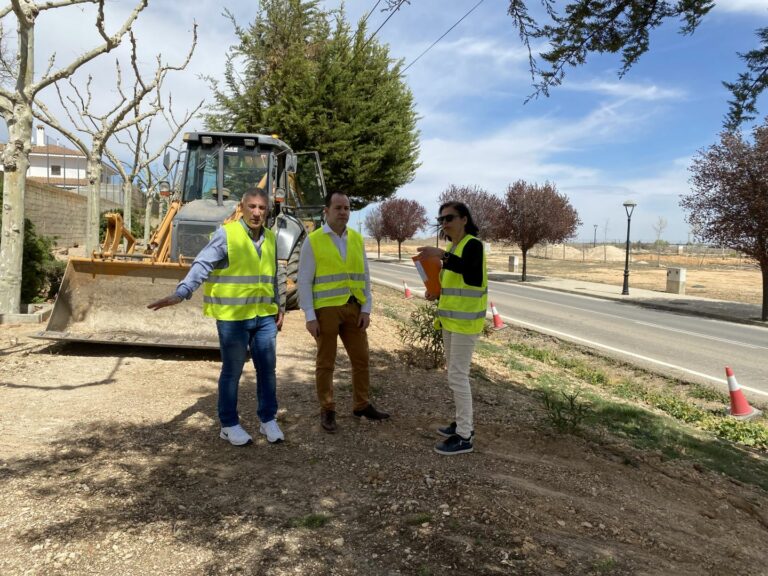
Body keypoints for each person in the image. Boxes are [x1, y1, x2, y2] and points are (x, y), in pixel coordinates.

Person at [147, 187, 286, 447]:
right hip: (233, 318)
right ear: (242, 208)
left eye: (262, 208)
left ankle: (268, 419)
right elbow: (203, 263)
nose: (257, 212)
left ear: (268, 211)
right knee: (232, 372)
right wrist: (183, 291)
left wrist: (280, 304)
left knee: (267, 371)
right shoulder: (227, 234)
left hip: (264, 316)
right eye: (252, 207)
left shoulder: (270, 238)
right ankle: (229, 424)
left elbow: (274, 273)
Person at [298, 191, 390, 433]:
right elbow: (304, 281)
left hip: (354, 308)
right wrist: (310, 315)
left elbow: (365, 277)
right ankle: (327, 409)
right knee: (326, 362)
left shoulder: (357, 240)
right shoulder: (314, 240)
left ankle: (361, 404)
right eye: (338, 208)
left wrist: (366, 309)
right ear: (326, 211)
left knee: (361, 359)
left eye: (347, 208)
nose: (343, 212)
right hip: (326, 310)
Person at [417, 201, 487, 455]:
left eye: (450, 218)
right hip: (451, 321)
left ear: (464, 219)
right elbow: (455, 284)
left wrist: (441, 256)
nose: (445, 223)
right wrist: (435, 292)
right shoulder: (453, 247)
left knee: (458, 376)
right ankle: (462, 421)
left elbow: (472, 276)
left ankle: (465, 436)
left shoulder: (473, 245)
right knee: (455, 375)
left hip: (466, 323)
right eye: (441, 220)